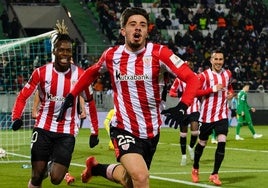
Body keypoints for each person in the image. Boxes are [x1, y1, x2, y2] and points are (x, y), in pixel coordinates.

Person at [56, 7, 199, 188]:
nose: (137, 28)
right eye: (132, 24)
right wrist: (71, 95)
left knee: (128, 180)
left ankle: (96, 168)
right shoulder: (112, 55)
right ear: (123, 30)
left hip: (151, 131)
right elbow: (91, 73)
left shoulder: (160, 53)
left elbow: (193, 79)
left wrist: (182, 106)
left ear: (148, 31)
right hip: (123, 127)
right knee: (141, 177)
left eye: (142, 25)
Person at [11, 20, 99, 188]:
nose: (65, 54)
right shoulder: (41, 73)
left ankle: (50, 166)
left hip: (67, 131)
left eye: (68, 51)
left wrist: (94, 131)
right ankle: (42, 169)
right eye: (61, 50)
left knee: (56, 179)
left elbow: (90, 102)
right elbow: (23, 96)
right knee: (36, 176)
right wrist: (16, 116)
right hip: (43, 127)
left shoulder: (81, 75)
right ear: (54, 51)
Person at [191, 49, 234, 186]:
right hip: (206, 116)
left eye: (221, 59)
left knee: (222, 142)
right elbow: (195, 92)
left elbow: (230, 88)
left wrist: (231, 94)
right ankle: (195, 167)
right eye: (216, 59)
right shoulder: (203, 76)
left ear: (223, 61)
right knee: (202, 144)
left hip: (222, 115)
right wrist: (212, 89)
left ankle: (214, 174)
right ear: (211, 60)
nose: (218, 62)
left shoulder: (227, 74)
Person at [168, 61, 200, 166]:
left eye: (190, 66)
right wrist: (181, 94)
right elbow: (171, 93)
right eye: (186, 66)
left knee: (195, 132)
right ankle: (184, 156)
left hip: (194, 107)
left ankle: (191, 147)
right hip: (183, 109)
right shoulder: (179, 79)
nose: (188, 67)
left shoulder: (197, 77)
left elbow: (201, 91)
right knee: (183, 134)